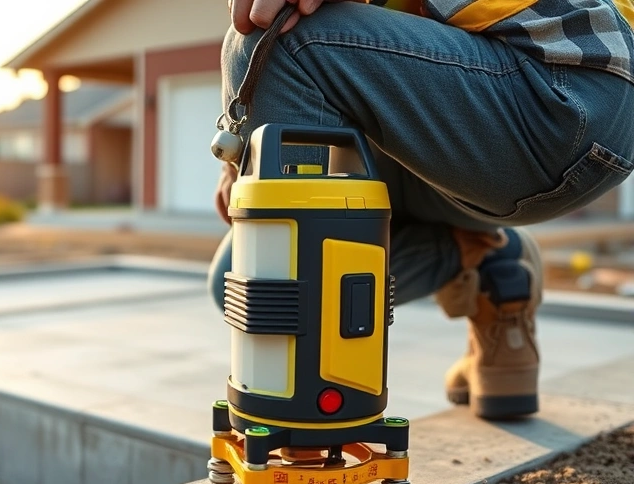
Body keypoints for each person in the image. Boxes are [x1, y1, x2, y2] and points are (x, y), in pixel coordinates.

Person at [209, 0, 634, 419]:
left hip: (562, 72)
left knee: (275, 40)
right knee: (249, 276)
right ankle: (489, 263)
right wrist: (240, 161)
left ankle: (312, 416)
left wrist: (241, 153)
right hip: (530, 135)